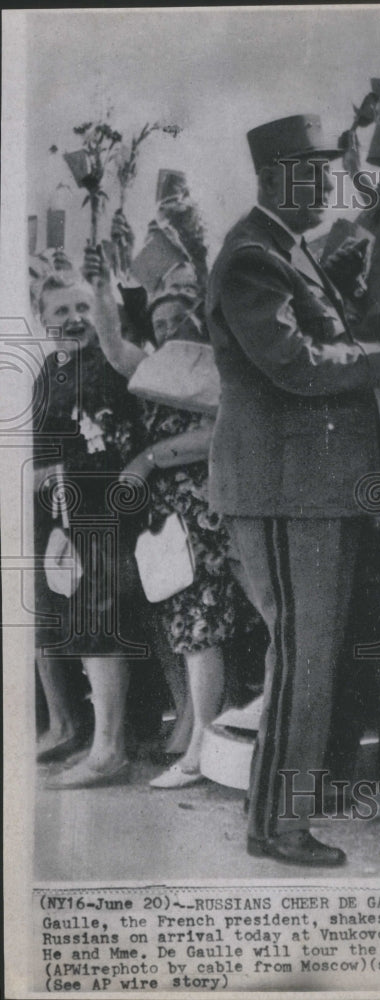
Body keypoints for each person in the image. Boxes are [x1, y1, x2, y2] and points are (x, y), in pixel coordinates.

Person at [206, 113, 380, 865]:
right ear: (274, 179)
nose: (328, 186)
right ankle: (277, 826)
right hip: (283, 489)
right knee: (301, 656)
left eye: (332, 174)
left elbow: (330, 340)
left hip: (309, 486)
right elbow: (296, 364)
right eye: (315, 175)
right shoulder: (251, 256)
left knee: (310, 655)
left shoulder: (284, 249)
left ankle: (285, 813)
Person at [84, 248, 264, 789]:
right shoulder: (157, 364)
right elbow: (115, 348)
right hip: (172, 517)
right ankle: (201, 742)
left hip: (209, 508)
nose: (166, 327)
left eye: (176, 316)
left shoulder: (220, 364)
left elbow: (219, 437)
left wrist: (150, 458)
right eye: (158, 321)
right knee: (190, 630)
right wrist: (98, 292)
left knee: (204, 629)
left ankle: (200, 752)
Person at [33, 272, 146, 789]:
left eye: (81, 307)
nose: (74, 318)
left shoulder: (113, 357)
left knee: (102, 622)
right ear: (44, 321)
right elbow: (37, 456)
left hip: (115, 508)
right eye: (61, 312)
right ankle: (103, 742)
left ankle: (110, 750)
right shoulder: (47, 377)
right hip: (69, 516)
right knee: (86, 624)